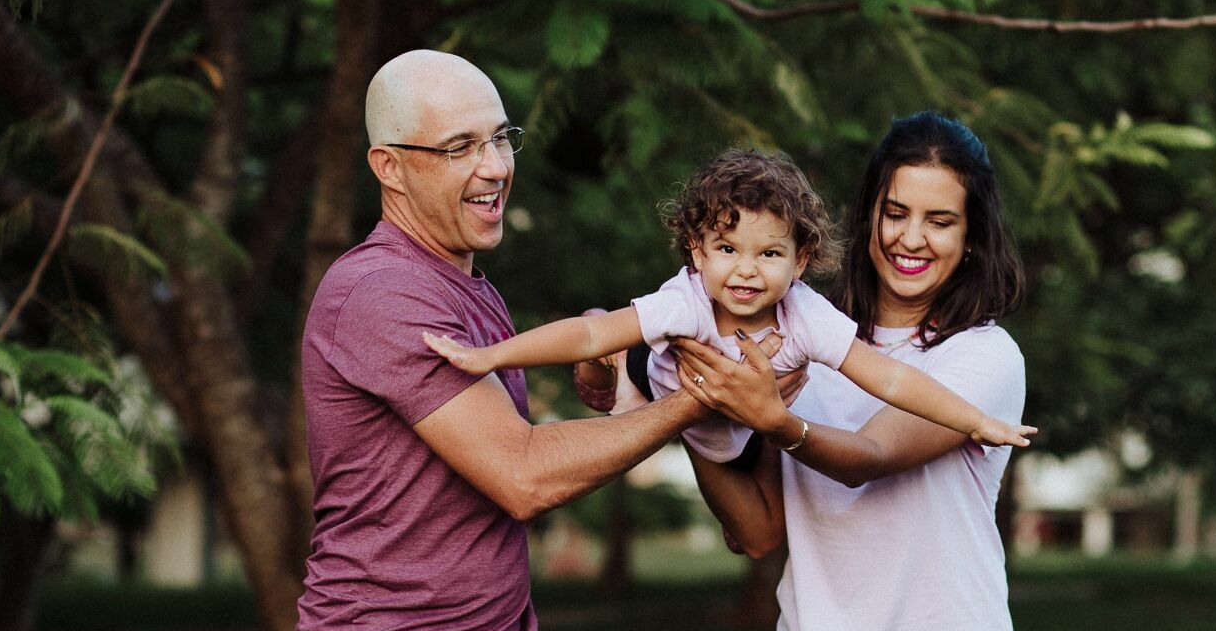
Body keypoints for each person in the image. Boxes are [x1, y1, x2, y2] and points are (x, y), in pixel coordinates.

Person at [290, 49, 717, 631]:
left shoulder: (471, 289)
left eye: (501, 138)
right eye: (459, 148)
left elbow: (514, 454)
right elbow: (521, 474)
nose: (494, 168)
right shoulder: (376, 293)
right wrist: (699, 403)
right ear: (391, 167)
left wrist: (611, 394)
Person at [668, 111, 1031, 631]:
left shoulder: (982, 357)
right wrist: (697, 413)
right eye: (895, 211)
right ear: (867, 214)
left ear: (971, 235)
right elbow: (756, 532)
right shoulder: (797, 331)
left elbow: (867, 456)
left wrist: (773, 417)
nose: (912, 238)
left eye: (941, 220)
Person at [424, 148, 1034, 459]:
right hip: (658, 389)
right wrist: (492, 356)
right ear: (696, 249)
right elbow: (586, 337)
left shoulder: (806, 316)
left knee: (745, 514)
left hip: (739, 427)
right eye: (725, 248)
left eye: (768, 255)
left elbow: (894, 380)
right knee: (607, 356)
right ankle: (619, 367)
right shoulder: (687, 300)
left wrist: (975, 421)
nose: (744, 270)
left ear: (799, 263)